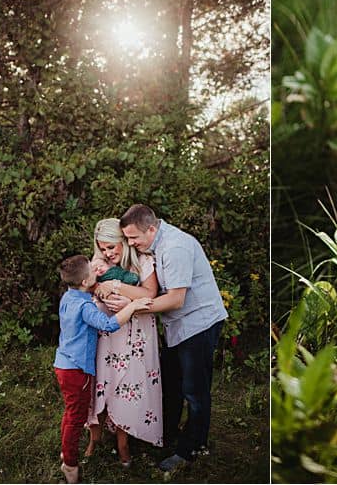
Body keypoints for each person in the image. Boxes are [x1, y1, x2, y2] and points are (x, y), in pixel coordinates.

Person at [117, 204, 228, 474]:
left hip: (199, 324)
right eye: (128, 238)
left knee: (195, 391)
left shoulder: (175, 247)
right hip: (179, 326)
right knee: (171, 385)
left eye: (134, 238)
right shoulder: (155, 245)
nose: (131, 243)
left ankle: (190, 449)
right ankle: (166, 436)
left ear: (152, 229)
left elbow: (176, 299)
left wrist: (133, 307)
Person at [54, 253, 150, 485]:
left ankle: (66, 451)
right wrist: (134, 305)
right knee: (76, 417)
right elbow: (107, 325)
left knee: (70, 412)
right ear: (86, 282)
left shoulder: (68, 297)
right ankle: (70, 464)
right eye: (92, 272)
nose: (97, 272)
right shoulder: (85, 306)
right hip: (78, 370)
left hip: (63, 364)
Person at [84, 218, 163, 466]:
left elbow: (149, 294)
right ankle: (94, 436)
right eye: (103, 248)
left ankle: (124, 441)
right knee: (102, 383)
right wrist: (100, 288)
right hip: (105, 334)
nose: (108, 253)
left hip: (135, 334)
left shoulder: (143, 261)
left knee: (127, 383)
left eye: (111, 247)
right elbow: (87, 287)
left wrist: (120, 291)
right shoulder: (99, 263)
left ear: (123, 242)